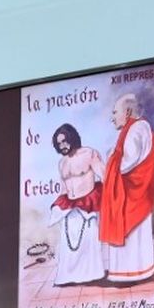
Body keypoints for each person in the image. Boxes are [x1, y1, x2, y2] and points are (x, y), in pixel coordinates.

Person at [99, 93, 154, 285]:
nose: (112, 117)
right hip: (137, 192)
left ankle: (129, 274)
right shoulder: (141, 127)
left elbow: (126, 163)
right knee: (137, 238)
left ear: (128, 112)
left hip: (131, 193)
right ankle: (140, 271)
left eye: (115, 112)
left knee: (131, 236)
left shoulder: (135, 130)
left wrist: (110, 160)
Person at [48, 122, 106, 285]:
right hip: (70, 208)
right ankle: (69, 277)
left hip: (87, 204)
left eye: (65, 141)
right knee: (68, 245)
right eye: (59, 143)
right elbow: (63, 189)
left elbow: (104, 175)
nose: (63, 145)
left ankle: (92, 275)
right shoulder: (62, 163)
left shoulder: (89, 153)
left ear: (72, 138)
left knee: (89, 241)